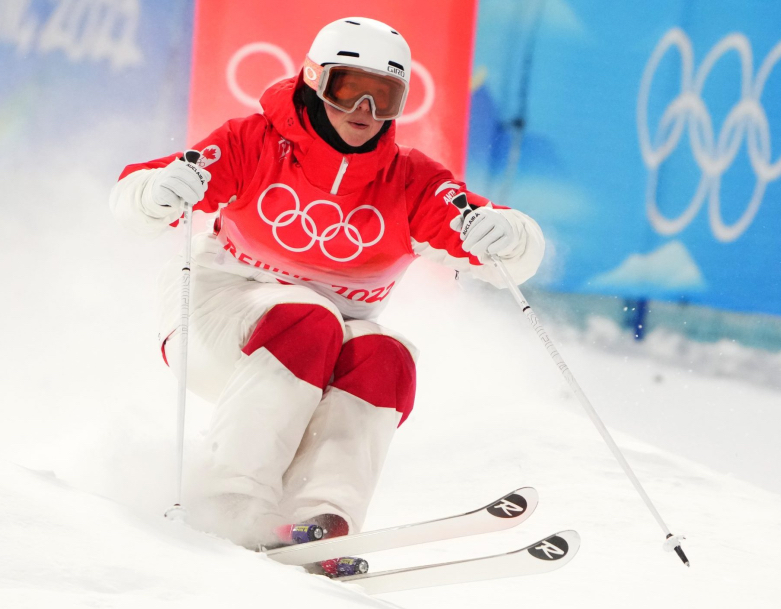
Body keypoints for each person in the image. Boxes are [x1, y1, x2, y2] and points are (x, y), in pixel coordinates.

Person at [109, 16, 545, 548]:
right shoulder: (254, 142)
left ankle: (320, 519)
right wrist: (156, 192)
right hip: (214, 321)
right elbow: (137, 201)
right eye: (350, 91)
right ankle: (228, 500)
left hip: (318, 350)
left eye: (383, 98)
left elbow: (507, 259)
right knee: (308, 317)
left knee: (387, 355)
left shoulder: (409, 182)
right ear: (316, 80)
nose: (364, 113)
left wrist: (510, 236)